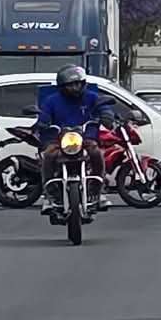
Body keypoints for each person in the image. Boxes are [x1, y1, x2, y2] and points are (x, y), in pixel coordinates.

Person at [36, 65, 112, 215]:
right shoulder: (52, 101)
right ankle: (49, 194)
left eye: (78, 83)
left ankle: (98, 190)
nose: (75, 87)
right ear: (62, 86)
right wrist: (42, 122)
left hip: (85, 139)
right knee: (49, 155)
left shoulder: (91, 97)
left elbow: (104, 108)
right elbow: (43, 116)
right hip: (59, 140)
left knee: (97, 153)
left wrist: (107, 115)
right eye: (71, 85)